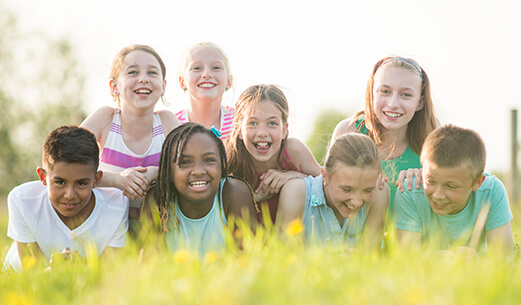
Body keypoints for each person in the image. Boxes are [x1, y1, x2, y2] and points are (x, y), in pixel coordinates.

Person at [80, 44, 180, 229]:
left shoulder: (166, 122)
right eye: (133, 72)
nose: (143, 79)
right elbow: (68, 164)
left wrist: (155, 173)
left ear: (163, 86)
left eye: (152, 73)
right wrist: (117, 180)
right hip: (104, 227)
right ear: (114, 86)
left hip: (156, 230)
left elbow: (187, 167)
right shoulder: (106, 119)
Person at [4, 126, 128, 272]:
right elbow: (32, 275)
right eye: (60, 182)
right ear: (43, 177)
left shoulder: (117, 205)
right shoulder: (22, 200)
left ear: (96, 180)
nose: (70, 195)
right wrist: (53, 271)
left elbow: (110, 274)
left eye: (81, 183)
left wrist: (86, 268)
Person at [332, 56, 437, 218]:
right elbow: (327, 189)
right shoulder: (349, 130)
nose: (393, 103)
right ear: (372, 93)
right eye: (385, 92)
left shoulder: (432, 136)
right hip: (356, 236)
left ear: (420, 102)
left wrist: (429, 179)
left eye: (406, 95)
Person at [393, 125, 513, 255]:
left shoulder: (492, 192)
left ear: (477, 182)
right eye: (430, 181)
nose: (438, 195)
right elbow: (407, 259)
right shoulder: (410, 191)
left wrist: (477, 261)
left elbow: (503, 258)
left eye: (450, 186)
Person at [142, 123, 257, 256]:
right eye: (185, 162)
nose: (198, 171)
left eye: (209, 160)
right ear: (169, 171)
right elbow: (149, 266)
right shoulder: (158, 200)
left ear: (222, 165)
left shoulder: (234, 193)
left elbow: (247, 261)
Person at [227, 84, 321, 223]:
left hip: (292, 235)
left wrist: (294, 176)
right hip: (244, 236)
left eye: (272, 123)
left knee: (296, 185)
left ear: (285, 130)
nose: (262, 133)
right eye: (252, 123)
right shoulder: (231, 152)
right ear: (239, 130)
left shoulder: (293, 150)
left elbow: (328, 183)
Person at [277, 133, 389, 250]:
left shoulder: (379, 193)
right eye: (346, 189)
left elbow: (369, 260)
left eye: (367, 190)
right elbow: (286, 259)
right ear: (325, 176)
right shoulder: (296, 193)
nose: (357, 202)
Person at [175, 42, 234, 141]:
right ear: (182, 81)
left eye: (216, 68)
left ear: (228, 81)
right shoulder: (172, 125)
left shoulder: (239, 122)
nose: (207, 74)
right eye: (197, 68)